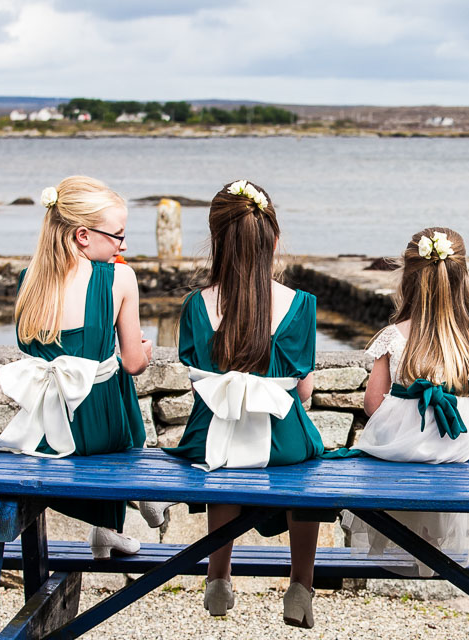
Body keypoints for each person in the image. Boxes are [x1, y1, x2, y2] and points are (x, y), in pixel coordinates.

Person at [162, 180, 323, 628]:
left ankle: (218, 576)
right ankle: (300, 584)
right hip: (282, 443)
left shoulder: (197, 305)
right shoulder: (301, 304)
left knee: (224, 450)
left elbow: (201, 389)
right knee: (303, 469)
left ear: (217, 240)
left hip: (210, 438)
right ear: (273, 239)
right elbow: (303, 392)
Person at [0, 175, 152, 559]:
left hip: (46, 433)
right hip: (99, 437)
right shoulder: (119, 278)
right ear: (82, 235)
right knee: (114, 378)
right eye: (117, 234)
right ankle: (148, 495)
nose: (123, 245)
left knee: (101, 372)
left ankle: (109, 530)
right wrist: (146, 350)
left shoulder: (29, 281)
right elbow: (132, 364)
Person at [334, 227, 469, 576]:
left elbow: (371, 405)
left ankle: (405, 535)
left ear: (407, 278)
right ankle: (432, 540)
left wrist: (408, 409)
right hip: (451, 455)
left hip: (399, 455)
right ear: (463, 278)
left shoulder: (393, 336)